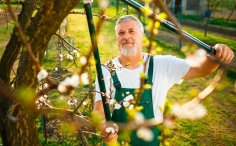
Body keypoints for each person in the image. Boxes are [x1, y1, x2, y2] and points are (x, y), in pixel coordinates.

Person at [93, 15, 234, 146]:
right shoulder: (106, 70)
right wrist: (104, 127)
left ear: (142, 36)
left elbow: (201, 69)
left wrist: (217, 53)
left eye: (131, 31)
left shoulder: (162, 65)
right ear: (117, 41)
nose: (126, 36)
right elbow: (99, 112)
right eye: (121, 33)